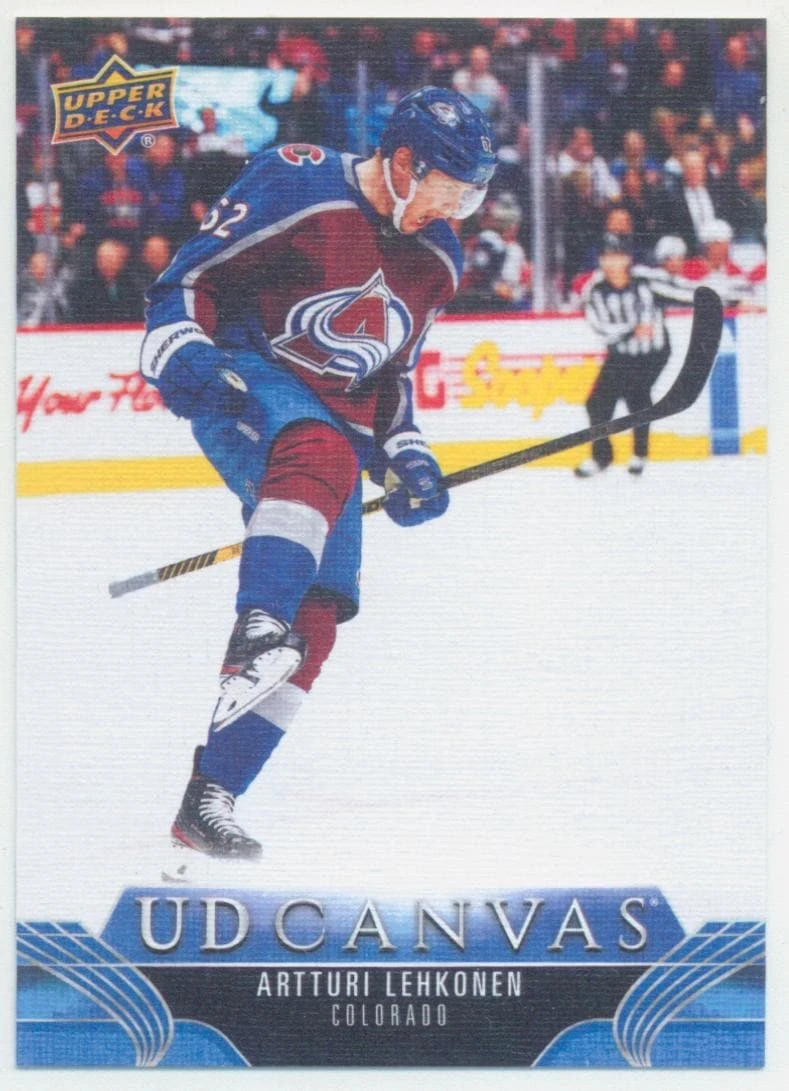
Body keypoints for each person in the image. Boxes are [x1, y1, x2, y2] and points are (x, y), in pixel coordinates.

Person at [139, 87, 497, 860]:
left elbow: (389, 374)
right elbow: (188, 282)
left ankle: (210, 798)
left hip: (329, 429)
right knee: (322, 451)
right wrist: (182, 352)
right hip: (244, 382)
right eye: (448, 188)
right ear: (403, 161)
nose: (455, 209)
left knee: (320, 617)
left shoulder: (438, 257)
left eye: (468, 196)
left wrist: (407, 454)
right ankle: (254, 630)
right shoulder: (298, 180)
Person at [574, 232, 694, 478]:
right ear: (600, 260)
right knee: (596, 403)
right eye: (607, 257)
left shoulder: (646, 280)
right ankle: (602, 456)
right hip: (620, 355)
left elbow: (684, 291)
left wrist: (731, 300)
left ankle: (639, 454)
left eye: (618, 256)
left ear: (627, 258)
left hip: (654, 353)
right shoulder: (595, 289)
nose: (612, 263)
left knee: (636, 394)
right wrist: (632, 329)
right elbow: (601, 329)